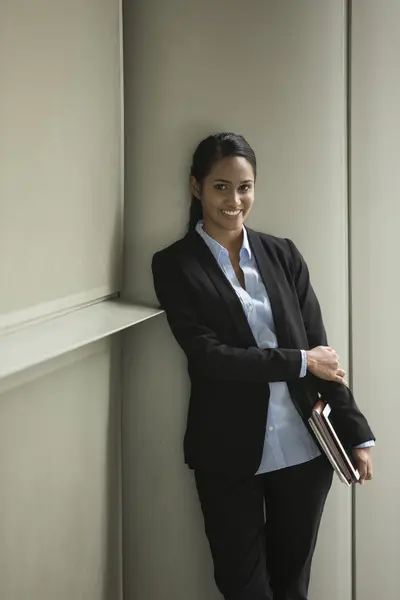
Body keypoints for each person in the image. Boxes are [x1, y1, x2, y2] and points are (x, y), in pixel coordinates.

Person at [152, 132, 375, 600]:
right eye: (221, 186)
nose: (235, 200)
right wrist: (299, 361)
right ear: (196, 187)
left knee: (292, 583)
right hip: (228, 451)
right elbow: (209, 357)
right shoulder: (174, 265)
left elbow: (322, 352)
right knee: (241, 584)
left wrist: (356, 433)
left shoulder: (283, 254)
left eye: (245, 186)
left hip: (305, 447)